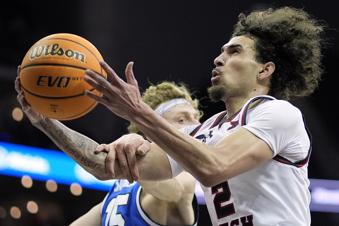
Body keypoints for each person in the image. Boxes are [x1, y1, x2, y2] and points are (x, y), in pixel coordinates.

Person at [83, 6, 325, 226]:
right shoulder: (204, 130)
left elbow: (213, 167)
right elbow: (106, 167)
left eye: (234, 52)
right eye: (222, 52)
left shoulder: (278, 113)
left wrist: (138, 111)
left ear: (264, 70)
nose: (218, 59)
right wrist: (47, 122)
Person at [15, 80, 200, 225]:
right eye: (182, 120)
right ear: (150, 129)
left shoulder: (186, 177)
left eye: (197, 118)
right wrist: (44, 120)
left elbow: (174, 191)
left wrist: (46, 122)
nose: (196, 126)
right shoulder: (121, 192)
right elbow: (99, 163)